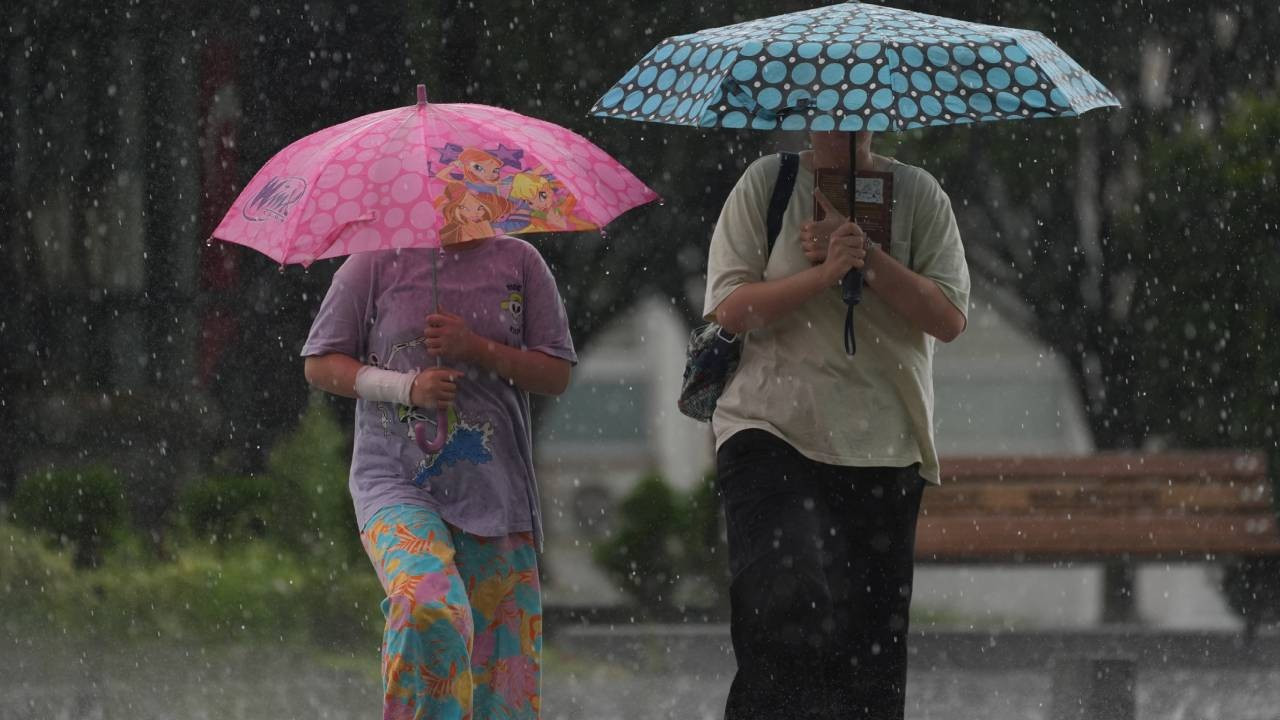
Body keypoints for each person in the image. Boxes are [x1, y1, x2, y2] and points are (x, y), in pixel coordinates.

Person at [704, 130, 970, 720]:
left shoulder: (919, 194)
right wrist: (822, 275)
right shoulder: (767, 185)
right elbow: (731, 307)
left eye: (856, 110)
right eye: (826, 107)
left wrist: (869, 259)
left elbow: (949, 317)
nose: (841, 124)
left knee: (868, 662)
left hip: (884, 443)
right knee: (786, 603)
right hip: (769, 428)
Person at [301, 233, 576, 720]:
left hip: (496, 494)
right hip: (397, 482)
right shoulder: (375, 261)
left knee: (503, 690)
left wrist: (476, 348)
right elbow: (321, 363)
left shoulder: (521, 263)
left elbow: (554, 374)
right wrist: (406, 386)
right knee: (428, 605)